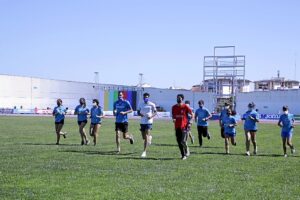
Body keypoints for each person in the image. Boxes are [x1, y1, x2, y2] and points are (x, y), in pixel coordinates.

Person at [172, 94, 193, 160]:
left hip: (184, 126)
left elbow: (192, 114)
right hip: (177, 126)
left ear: (182, 99)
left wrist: (190, 122)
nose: (178, 99)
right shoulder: (174, 107)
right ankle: (183, 155)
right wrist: (173, 119)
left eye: (180, 98)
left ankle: (187, 150)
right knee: (179, 141)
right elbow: (173, 115)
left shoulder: (185, 106)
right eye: (177, 98)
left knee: (183, 141)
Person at [137, 93, 157, 158]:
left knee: (145, 136)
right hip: (142, 122)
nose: (146, 98)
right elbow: (138, 112)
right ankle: (150, 137)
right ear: (143, 98)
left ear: (148, 97)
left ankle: (144, 151)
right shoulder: (140, 104)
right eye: (145, 97)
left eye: (147, 97)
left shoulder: (152, 104)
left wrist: (151, 116)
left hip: (149, 121)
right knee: (143, 137)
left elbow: (155, 112)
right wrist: (140, 114)